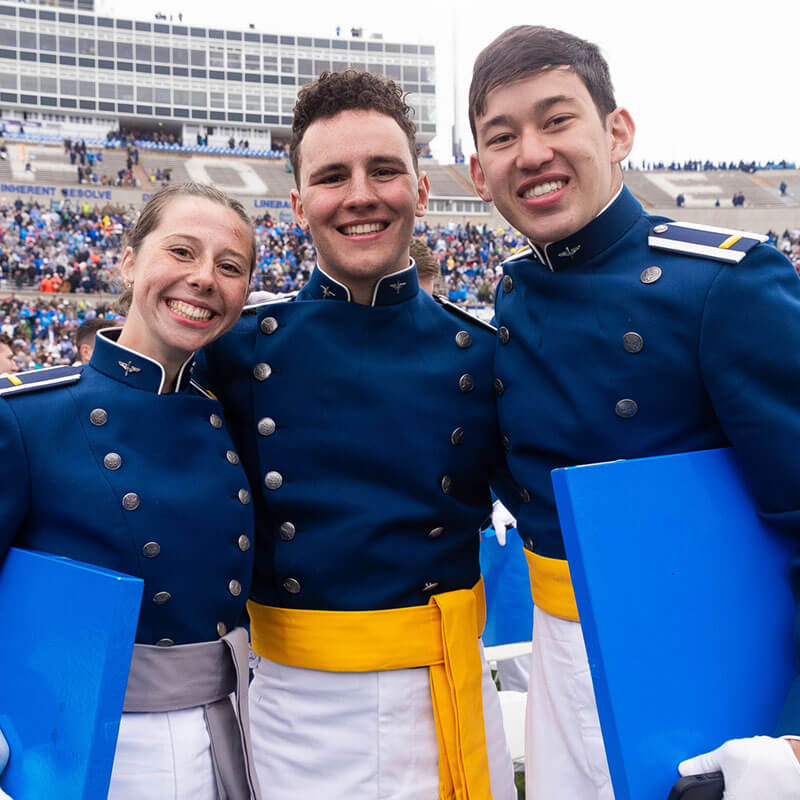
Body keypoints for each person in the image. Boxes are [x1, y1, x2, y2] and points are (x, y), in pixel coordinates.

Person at [467, 25, 800, 800]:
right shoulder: (516, 290)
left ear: (617, 131)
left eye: (557, 120)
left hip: (700, 662)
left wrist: (793, 740)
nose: (533, 153)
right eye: (504, 136)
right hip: (556, 661)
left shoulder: (724, 283)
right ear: (480, 174)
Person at [198, 70, 515, 800]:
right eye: (333, 176)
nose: (361, 195)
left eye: (383, 170)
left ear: (422, 188)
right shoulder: (235, 350)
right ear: (299, 204)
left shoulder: (485, 352)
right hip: (292, 708)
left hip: (445, 695)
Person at [0, 183, 261, 799]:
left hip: (223, 728)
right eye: (181, 251)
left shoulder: (235, 413)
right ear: (127, 260)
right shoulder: (28, 416)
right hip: (81, 743)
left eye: (230, 267)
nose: (203, 279)